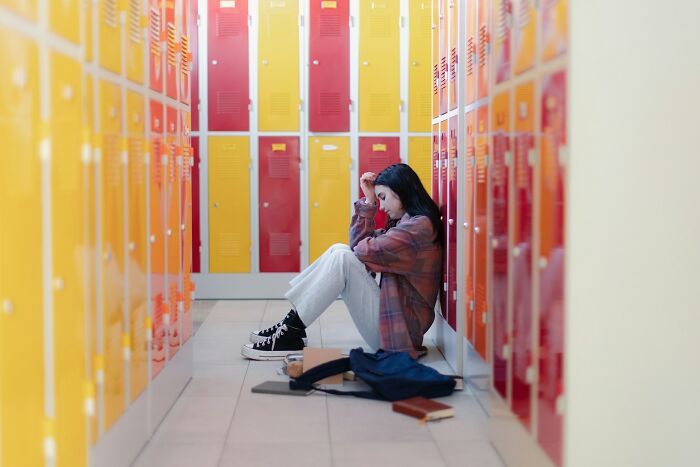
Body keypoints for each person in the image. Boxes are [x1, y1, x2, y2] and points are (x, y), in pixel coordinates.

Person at [241, 163, 444, 361]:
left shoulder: (419, 228)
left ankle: (290, 330)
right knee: (340, 250)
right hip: (393, 324)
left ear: (401, 191)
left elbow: (362, 251)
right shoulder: (408, 223)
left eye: (382, 198)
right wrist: (369, 200)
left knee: (342, 256)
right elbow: (357, 246)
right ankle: (290, 327)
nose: (381, 207)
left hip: (399, 336)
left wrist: (365, 234)